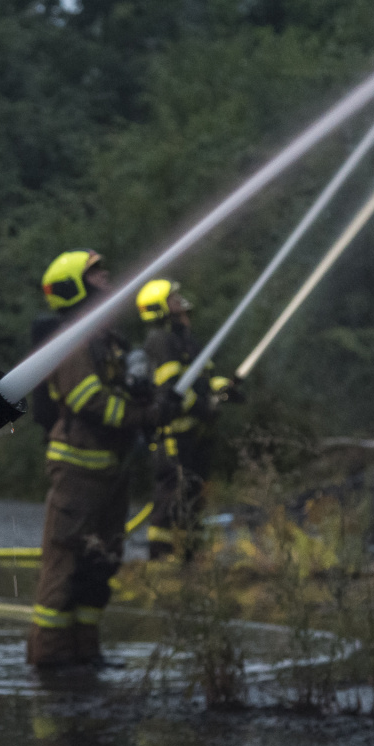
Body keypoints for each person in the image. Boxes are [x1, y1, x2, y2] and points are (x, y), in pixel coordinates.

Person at [28, 251, 171, 667]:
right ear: (76, 285)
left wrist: (155, 401)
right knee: (65, 562)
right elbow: (90, 400)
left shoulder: (105, 337)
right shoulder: (71, 337)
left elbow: (124, 392)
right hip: (79, 468)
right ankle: (50, 660)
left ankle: (85, 652)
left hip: (110, 467)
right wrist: (145, 414)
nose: (107, 276)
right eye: (96, 272)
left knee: (101, 562)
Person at [135, 279, 235, 560]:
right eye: (173, 298)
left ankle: (191, 560)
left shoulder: (186, 337)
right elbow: (172, 389)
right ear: (159, 307)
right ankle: (161, 561)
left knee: (193, 496)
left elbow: (205, 376)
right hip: (173, 437)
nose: (179, 300)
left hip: (196, 435)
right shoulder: (161, 341)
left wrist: (222, 388)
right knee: (171, 498)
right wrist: (202, 406)